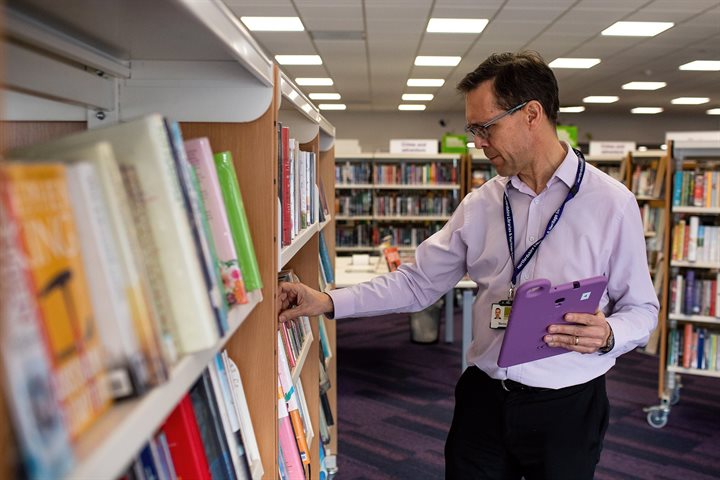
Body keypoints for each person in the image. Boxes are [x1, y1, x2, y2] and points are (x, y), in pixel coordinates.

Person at [278, 50, 658, 479]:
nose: (477, 141)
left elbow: (643, 310)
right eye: (472, 129)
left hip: (567, 405)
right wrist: (326, 301)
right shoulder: (481, 204)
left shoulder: (611, 204)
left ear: (532, 114)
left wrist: (609, 333)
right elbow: (417, 283)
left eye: (485, 126)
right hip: (484, 399)